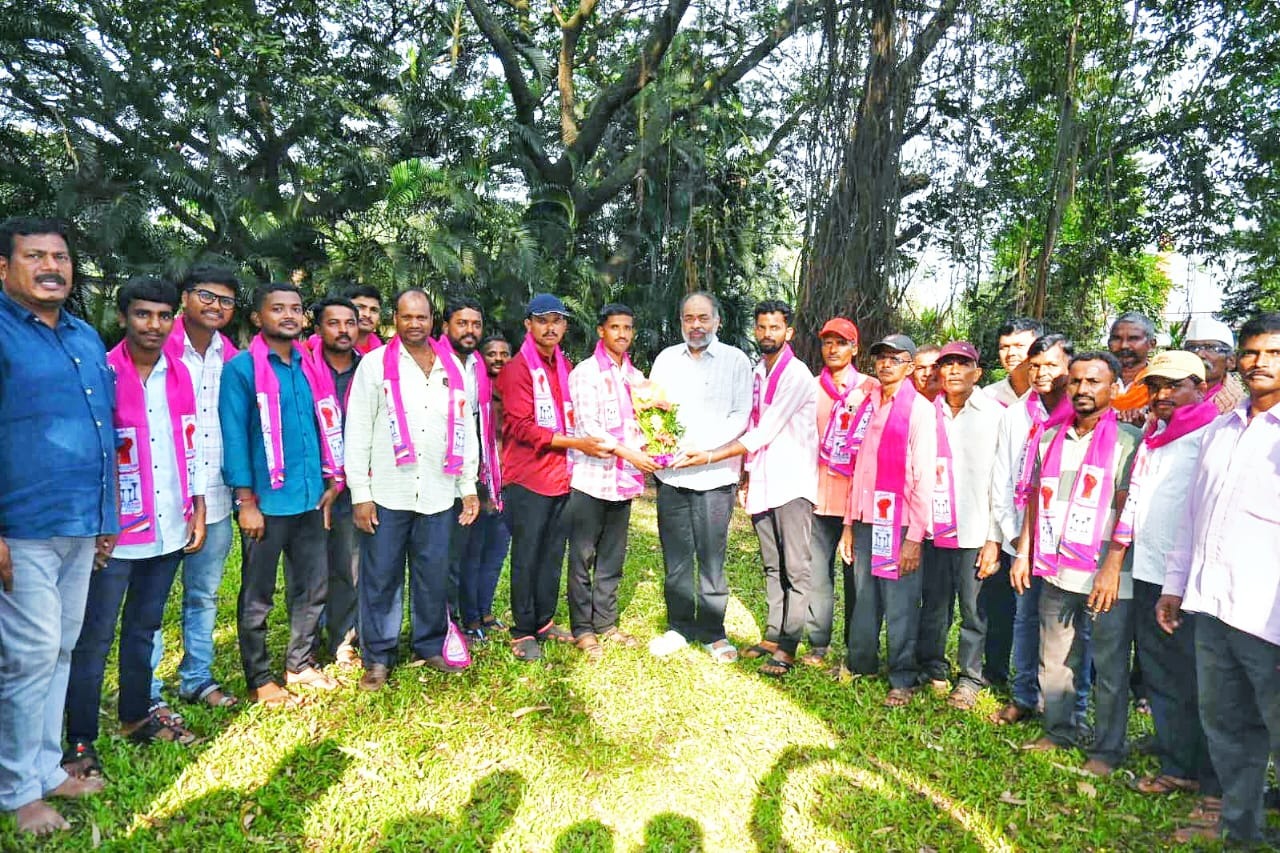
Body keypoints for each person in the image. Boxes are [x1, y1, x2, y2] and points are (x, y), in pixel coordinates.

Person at [0, 217, 115, 835]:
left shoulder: (83, 336)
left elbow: (100, 431)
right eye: (35, 256)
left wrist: (106, 518)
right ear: (3, 267)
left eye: (62, 257)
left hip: (80, 523)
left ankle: (45, 768)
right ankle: (18, 792)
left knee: (60, 650)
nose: (52, 267)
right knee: (29, 655)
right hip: (22, 525)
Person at [65, 277, 204, 778]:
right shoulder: (102, 373)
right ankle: (79, 741)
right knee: (94, 637)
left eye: (164, 315)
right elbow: (90, 455)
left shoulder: (181, 374)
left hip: (170, 524)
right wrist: (100, 523)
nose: (155, 325)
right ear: (124, 317)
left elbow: (191, 446)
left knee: (144, 629)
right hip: (117, 535)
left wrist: (199, 506)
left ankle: (134, 715)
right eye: (144, 314)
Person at [1160, 312, 1280, 845]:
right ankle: (1241, 830)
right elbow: (1194, 516)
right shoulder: (1219, 431)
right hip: (1212, 607)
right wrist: (1174, 584)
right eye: (1252, 352)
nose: (1260, 363)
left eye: (1274, 354)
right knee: (1229, 728)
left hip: (1268, 614)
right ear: (1237, 361)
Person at [1012, 351, 1141, 776]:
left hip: (1107, 575)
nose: (1084, 389)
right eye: (1077, 382)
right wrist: (1027, 552)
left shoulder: (1128, 442)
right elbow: (1033, 500)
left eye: (1094, 382)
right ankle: (1060, 729)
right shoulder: (1049, 438)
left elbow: (1129, 510)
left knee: (1108, 663)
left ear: (1113, 389)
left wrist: (1111, 568)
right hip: (1056, 567)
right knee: (1057, 656)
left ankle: (1106, 749)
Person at [1099, 351, 1219, 803]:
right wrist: (1116, 555)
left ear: (1199, 387)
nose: (1164, 395)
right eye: (1156, 387)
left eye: (1175, 385)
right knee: (1160, 672)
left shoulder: (1211, 435)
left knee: (1191, 675)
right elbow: (1135, 501)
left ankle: (1200, 768)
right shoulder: (1155, 433)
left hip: (1189, 580)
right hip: (1149, 571)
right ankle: (1177, 756)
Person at [345, 289, 480, 689]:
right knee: (381, 577)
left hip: (438, 492)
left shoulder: (451, 368)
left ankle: (430, 644)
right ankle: (378, 658)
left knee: (432, 575)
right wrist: (360, 493)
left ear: (432, 320)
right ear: (395, 320)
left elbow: (466, 431)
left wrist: (468, 486)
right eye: (407, 317)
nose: (415, 324)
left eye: (422, 317)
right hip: (387, 493)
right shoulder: (373, 366)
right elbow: (358, 431)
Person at [676, 300, 817, 677]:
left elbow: (762, 432)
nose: (767, 334)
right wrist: (746, 477)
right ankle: (773, 635)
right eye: (762, 327)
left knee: (796, 570)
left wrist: (708, 456)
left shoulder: (796, 375)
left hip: (792, 483)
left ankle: (788, 646)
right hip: (764, 481)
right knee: (772, 565)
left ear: (789, 332)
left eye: (775, 328)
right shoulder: (758, 372)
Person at [220, 283, 342, 706]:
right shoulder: (241, 370)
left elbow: (320, 425)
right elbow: (234, 438)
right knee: (258, 597)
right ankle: (259, 679)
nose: (289, 316)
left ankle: (300, 663)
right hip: (266, 505)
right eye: (277, 309)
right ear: (258, 317)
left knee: (313, 587)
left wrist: (330, 481)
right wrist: (246, 502)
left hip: (309, 498)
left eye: (295, 309)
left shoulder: (309, 365)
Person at [497, 293, 611, 661]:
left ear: (564, 326)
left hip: (561, 478)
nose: (551, 327)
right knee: (527, 556)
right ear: (528, 325)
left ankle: (544, 622)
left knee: (551, 556)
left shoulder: (563, 366)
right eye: (542, 320)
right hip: (528, 479)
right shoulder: (518, 369)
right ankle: (521, 631)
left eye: (557, 320)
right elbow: (522, 428)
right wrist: (578, 442)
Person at [149, 266, 242, 712]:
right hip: (163, 497)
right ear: (186, 297)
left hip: (217, 496)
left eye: (226, 301)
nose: (216, 306)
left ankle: (197, 678)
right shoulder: (155, 349)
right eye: (207, 296)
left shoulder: (234, 357)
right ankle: (144, 689)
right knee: (151, 599)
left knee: (203, 594)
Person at [986, 334, 1088, 726]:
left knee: (1070, 628)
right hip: (1025, 539)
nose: (1042, 372)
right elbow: (1005, 476)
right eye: (1036, 365)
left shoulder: (1081, 414)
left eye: (1051, 365)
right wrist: (1014, 538)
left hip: (1070, 544)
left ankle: (1068, 707)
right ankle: (1024, 695)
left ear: (1069, 369)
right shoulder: (1017, 414)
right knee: (1026, 620)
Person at [647, 292, 752, 661]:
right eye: (689, 318)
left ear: (717, 321)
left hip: (714, 478)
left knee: (711, 559)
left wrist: (700, 450)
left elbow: (741, 415)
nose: (696, 325)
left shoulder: (736, 361)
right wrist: (665, 445)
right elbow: (652, 410)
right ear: (681, 322)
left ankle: (712, 632)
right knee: (676, 558)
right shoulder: (665, 360)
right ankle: (678, 627)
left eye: (704, 318)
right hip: (672, 477)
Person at [838, 334, 937, 707]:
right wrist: (849, 524)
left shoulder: (920, 411)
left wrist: (915, 537)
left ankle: (902, 677)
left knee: (900, 602)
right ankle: (860, 663)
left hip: (899, 522)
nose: (886, 364)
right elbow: (857, 469)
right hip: (866, 519)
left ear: (910, 366)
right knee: (864, 597)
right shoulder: (867, 404)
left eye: (895, 359)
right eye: (881, 357)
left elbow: (925, 477)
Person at [565, 303, 658, 660]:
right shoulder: (586, 373)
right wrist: (631, 454)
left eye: (627, 327)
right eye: (615, 327)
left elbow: (646, 423)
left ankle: (606, 623)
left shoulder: (636, 378)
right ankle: (583, 629)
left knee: (612, 557)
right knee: (583, 556)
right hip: (590, 479)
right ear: (601, 331)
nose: (622, 334)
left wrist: (655, 443)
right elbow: (588, 426)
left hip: (623, 482)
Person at [915, 341, 1003, 709]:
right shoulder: (925, 413)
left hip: (973, 531)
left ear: (977, 373)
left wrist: (993, 539)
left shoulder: (993, 415)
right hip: (933, 529)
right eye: (946, 364)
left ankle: (969, 678)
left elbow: (1001, 480)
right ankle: (932, 667)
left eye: (961, 365)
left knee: (973, 610)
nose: (952, 371)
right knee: (933, 604)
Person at [799, 318, 878, 667]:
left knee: (857, 579)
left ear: (855, 348)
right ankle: (819, 643)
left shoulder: (872, 389)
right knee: (818, 572)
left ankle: (856, 646)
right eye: (827, 342)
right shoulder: (810, 387)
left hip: (858, 502)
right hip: (819, 496)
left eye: (841, 343)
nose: (833, 349)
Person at [439, 298, 504, 639]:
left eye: (475, 324)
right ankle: (444, 627)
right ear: (446, 326)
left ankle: (461, 621)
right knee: (446, 559)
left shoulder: (476, 365)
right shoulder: (435, 361)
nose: (469, 331)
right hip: (439, 477)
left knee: (466, 553)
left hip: (472, 475)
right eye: (462, 323)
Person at [306, 296, 362, 667]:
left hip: (356, 484)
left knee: (349, 566)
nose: (343, 330)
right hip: (312, 484)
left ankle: (343, 640)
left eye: (349, 323)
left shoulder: (371, 369)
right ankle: (304, 647)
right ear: (319, 329)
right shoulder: (303, 369)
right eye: (334, 323)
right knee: (309, 569)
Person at [460, 332, 512, 637]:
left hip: (507, 484)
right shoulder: (474, 392)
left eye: (504, 353)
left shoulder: (516, 390)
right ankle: (469, 617)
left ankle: (486, 610)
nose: (498, 359)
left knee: (496, 554)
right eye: (491, 353)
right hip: (477, 483)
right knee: (473, 553)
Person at [1181, 316, 1244, 414]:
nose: (1199, 354)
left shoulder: (1237, 407)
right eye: (1192, 348)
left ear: (1231, 361)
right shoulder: (1171, 395)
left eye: (1210, 348)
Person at [984, 318, 1044, 407]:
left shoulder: (1050, 395)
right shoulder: (988, 395)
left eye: (1019, 346)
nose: (1011, 353)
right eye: (1004, 347)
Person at [1108, 311, 1155, 391]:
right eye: (1117, 338)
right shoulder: (1096, 380)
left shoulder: (1159, 384)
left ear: (1151, 344)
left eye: (1133, 338)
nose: (1124, 345)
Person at [345, 283, 384, 354]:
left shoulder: (383, 351)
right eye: (360, 307)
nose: (367, 314)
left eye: (374, 310)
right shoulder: (326, 347)